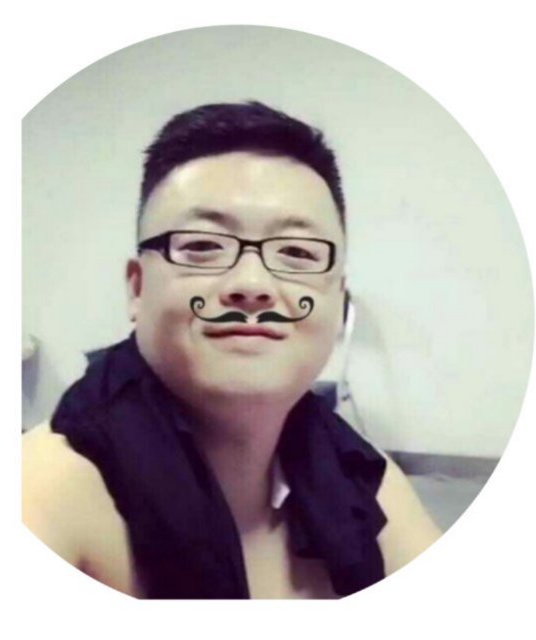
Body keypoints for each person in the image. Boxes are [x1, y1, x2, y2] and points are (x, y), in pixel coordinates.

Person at [22, 101, 441, 599]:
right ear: (137, 288)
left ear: (338, 299)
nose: (252, 285)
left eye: (297, 253)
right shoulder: (42, 492)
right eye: (202, 246)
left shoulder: (363, 481)